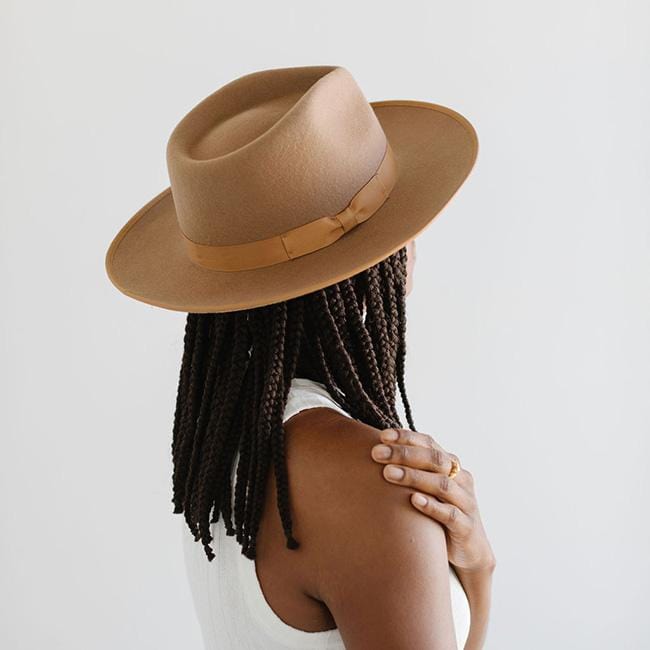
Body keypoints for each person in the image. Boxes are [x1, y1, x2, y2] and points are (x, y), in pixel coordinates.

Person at [105, 65, 495, 649]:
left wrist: (477, 567)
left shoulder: (228, 443)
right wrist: (479, 578)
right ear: (390, 257)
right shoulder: (374, 480)